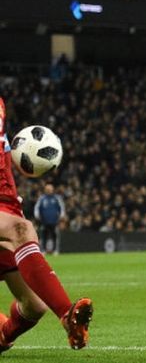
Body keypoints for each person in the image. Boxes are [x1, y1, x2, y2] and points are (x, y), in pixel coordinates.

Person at [0, 97, 92, 353]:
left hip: (6, 207)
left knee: (34, 306)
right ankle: (67, 316)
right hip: (7, 220)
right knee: (21, 230)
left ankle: (3, 338)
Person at [33, 184, 66, 255]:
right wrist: (36, 215)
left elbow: (62, 207)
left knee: (55, 235)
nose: (48, 190)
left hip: (55, 220)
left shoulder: (57, 198)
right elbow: (36, 207)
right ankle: (43, 250)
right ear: (45, 190)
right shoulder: (42, 198)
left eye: (50, 189)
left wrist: (62, 215)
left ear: (53, 189)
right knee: (43, 235)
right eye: (47, 189)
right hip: (44, 220)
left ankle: (56, 250)